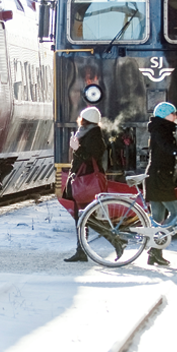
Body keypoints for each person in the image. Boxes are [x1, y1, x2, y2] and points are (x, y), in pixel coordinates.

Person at [144, 102, 177, 266]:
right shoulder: (160, 129)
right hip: (159, 178)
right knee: (176, 213)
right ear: (165, 115)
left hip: (158, 176)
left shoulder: (162, 128)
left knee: (158, 217)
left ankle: (155, 253)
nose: (175, 116)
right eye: (173, 113)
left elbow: (165, 151)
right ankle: (156, 246)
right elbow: (167, 147)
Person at [62, 106, 106, 262]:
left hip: (85, 181)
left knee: (84, 217)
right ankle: (80, 250)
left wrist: (77, 148)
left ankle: (116, 241)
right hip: (80, 179)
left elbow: (90, 156)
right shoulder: (86, 133)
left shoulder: (94, 136)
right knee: (81, 217)